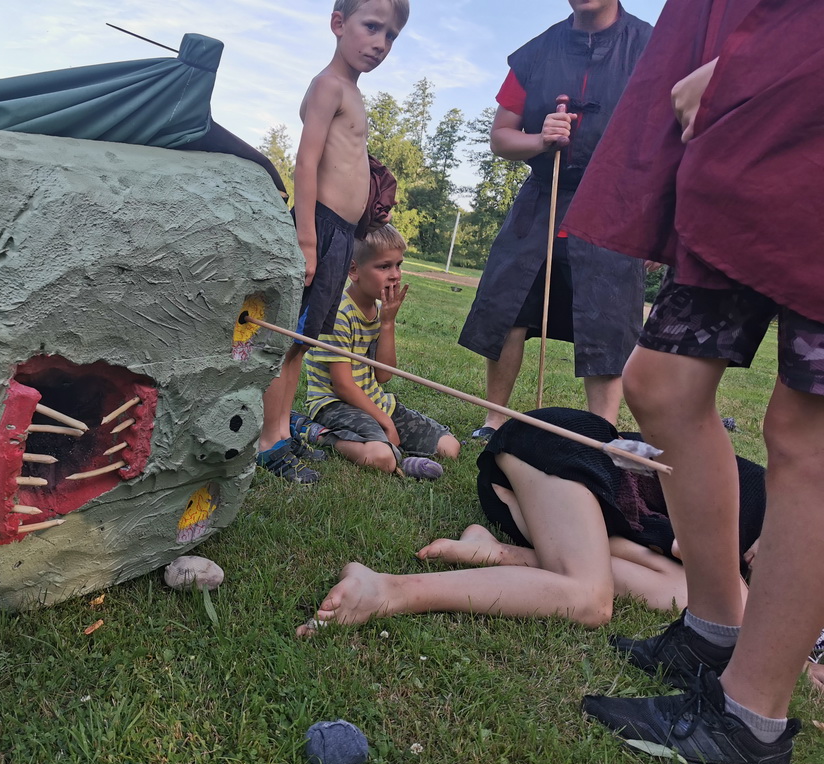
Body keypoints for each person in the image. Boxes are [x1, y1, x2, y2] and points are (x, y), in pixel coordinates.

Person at [561, 0, 824, 764]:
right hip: (745, 138)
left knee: (807, 431)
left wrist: (757, 71)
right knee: (662, 385)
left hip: (797, 99)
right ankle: (713, 631)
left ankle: (750, 721)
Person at [296, 408, 766, 637]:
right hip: (560, 450)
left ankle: (500, 552)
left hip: (562, 506)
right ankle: (388, 589)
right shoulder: (770, 507)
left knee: (683, 595)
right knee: (589, 600)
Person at [457, 0, 651, 442]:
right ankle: (494, 419)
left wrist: (655, 219)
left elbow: (672, 136)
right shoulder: (536, 53)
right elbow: (501, 137)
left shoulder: (651, 47)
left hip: (613, 206)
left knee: (608, 318)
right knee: (508, 304)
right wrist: (540, 139)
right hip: (541, 199)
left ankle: (601, 433)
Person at [256, 0, 410, 483]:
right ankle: (269, 442)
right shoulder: (328, 85)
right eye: (371, 27)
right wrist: (306, 238)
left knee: (302, 343)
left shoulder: (353, 92)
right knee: (288, 340)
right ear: (338, 24)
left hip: (342, 236)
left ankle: (283, 427)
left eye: (390, 35)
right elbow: (306, 161)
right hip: (318, 229)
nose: (380, 43)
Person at [300, 225, 461, 476]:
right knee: (383, 458)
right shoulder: (338, 314)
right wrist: (385, 422)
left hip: (374, 401)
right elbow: (343, 386)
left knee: (449, 447)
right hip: (335, 405)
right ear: (353, 270)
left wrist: (387, 323)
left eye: (398, 265)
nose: (395, 275)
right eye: (384, 266)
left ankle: (390, 445)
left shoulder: (378, 310)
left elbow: (383, 375)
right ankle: (317, 433)